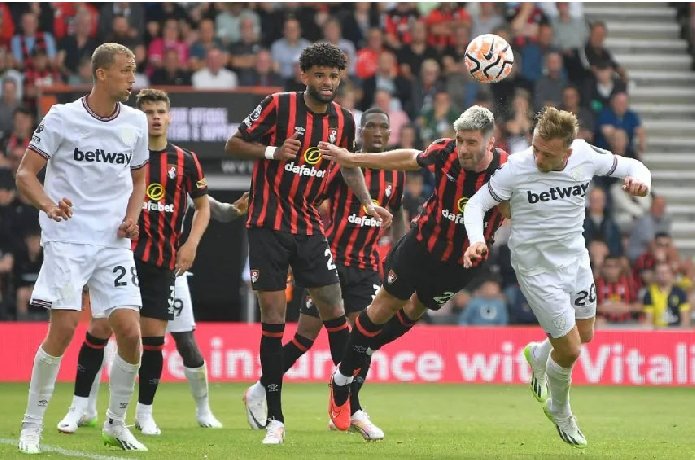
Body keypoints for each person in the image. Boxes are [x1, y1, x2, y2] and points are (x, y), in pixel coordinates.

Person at [225, 42, 392, 445]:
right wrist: (271, 150)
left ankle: (349, 406)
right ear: (304, 76)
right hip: (267, 224)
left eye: (333, 76)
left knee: (334, 309)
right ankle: (275, 419)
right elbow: (233, 143)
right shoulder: (277, 106)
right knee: (273, 317)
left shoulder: (343, 119)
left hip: (308, 225)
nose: (327, 82)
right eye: (319, 75)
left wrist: (368, 203)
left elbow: (348, 166)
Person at [462, 106, 651, 449]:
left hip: (575, 260)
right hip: (535, 268)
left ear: (567, 150)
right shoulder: (515, 168)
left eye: (546, 153)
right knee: (571, 349)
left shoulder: (585, 156)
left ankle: (537, 354)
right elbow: (474, 206)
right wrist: (476, 240)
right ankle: (560, 410)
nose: (536, 157)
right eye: (535, 147)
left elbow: (634, 166)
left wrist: (642, 183)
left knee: (586, 333)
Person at [319, 105, 510, 432]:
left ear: (490, 143)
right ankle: (341, 382)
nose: (463, 148)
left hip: (461, 263)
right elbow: (407, 157)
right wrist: (353, 159)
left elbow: (515, 207)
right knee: (384, 307)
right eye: (460, 140)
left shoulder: (508, 170)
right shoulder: (445, 152)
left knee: (413, 312)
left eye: (471, 143)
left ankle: (355, 358)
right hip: (421, 247)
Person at [54, 87, 225, 436]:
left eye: (161, 111)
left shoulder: (186, 160)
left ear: (170, 116)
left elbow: (203, 206)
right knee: (100, 329)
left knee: (153, 339)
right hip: (119, 256)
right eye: (149, 111)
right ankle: (79, 407)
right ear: (138, 116)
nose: (156, 117)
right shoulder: (121, 151)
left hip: (161, 261)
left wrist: (190, 243)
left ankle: (144, 414)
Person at [16, 43, 149, 454]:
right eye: (126, 70)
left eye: (134, 69)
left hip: (113, 241)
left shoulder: (136, 122)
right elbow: (25, 174)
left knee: (129, 332)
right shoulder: (62, 117)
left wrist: (134, 216)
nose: (132, 77)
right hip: (68, 236)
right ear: (102, 74)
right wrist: (49, 205)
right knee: (66, 327)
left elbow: (140, 179)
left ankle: (115, 423)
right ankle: (31, 425)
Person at [242, 108, 407, 440]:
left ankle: (346, 407)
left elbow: (397, 213)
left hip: (365, 267)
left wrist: (397, 255)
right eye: (370, 127)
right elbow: (311, 200)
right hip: (333, 261)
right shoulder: (342, 166)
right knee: (304, 338)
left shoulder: (396, 172)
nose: (377, 132)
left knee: (365, 340)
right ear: (359, 132)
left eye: (382, 128)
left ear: (390, 134)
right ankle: (261, 388)